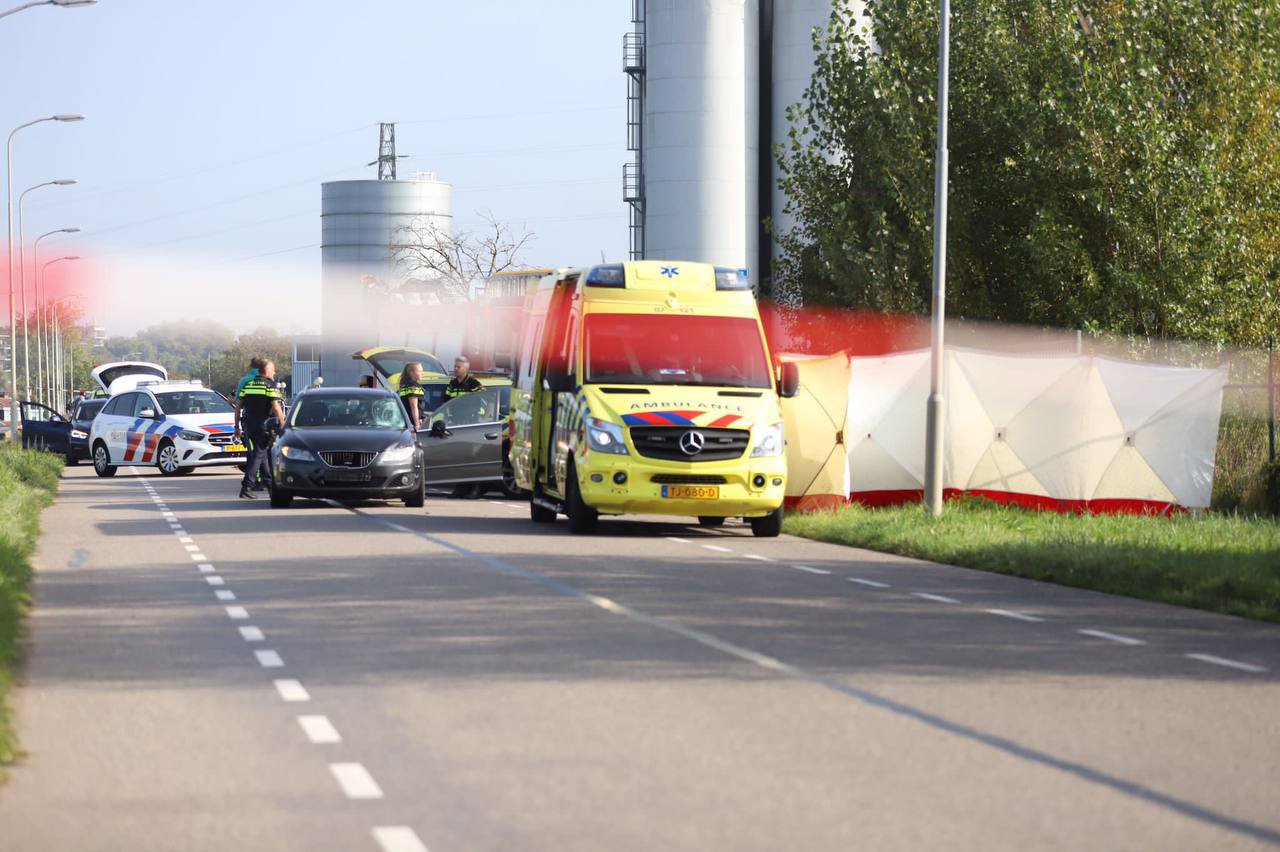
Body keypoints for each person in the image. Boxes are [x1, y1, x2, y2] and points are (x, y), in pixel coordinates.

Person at [234, 359, 284, 500]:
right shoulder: (270, 386)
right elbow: (276, 408)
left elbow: (238, 407)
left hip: (248, 425)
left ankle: (269, 484)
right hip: (264, 426)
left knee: (261, 456)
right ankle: (246, 486)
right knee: (259, 454)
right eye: (273, 369)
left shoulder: (248, 384)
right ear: (267, 370)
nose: (274, 372)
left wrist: (237, 426)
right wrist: (284, 425)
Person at [397, 361, 425, 432]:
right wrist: (417, 424)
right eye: (419, 371)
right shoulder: (413, 386)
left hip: (405, 421)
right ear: (411, 373)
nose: (422, 373)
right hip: (412, 423)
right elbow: (414, 407)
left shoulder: (405, 384)